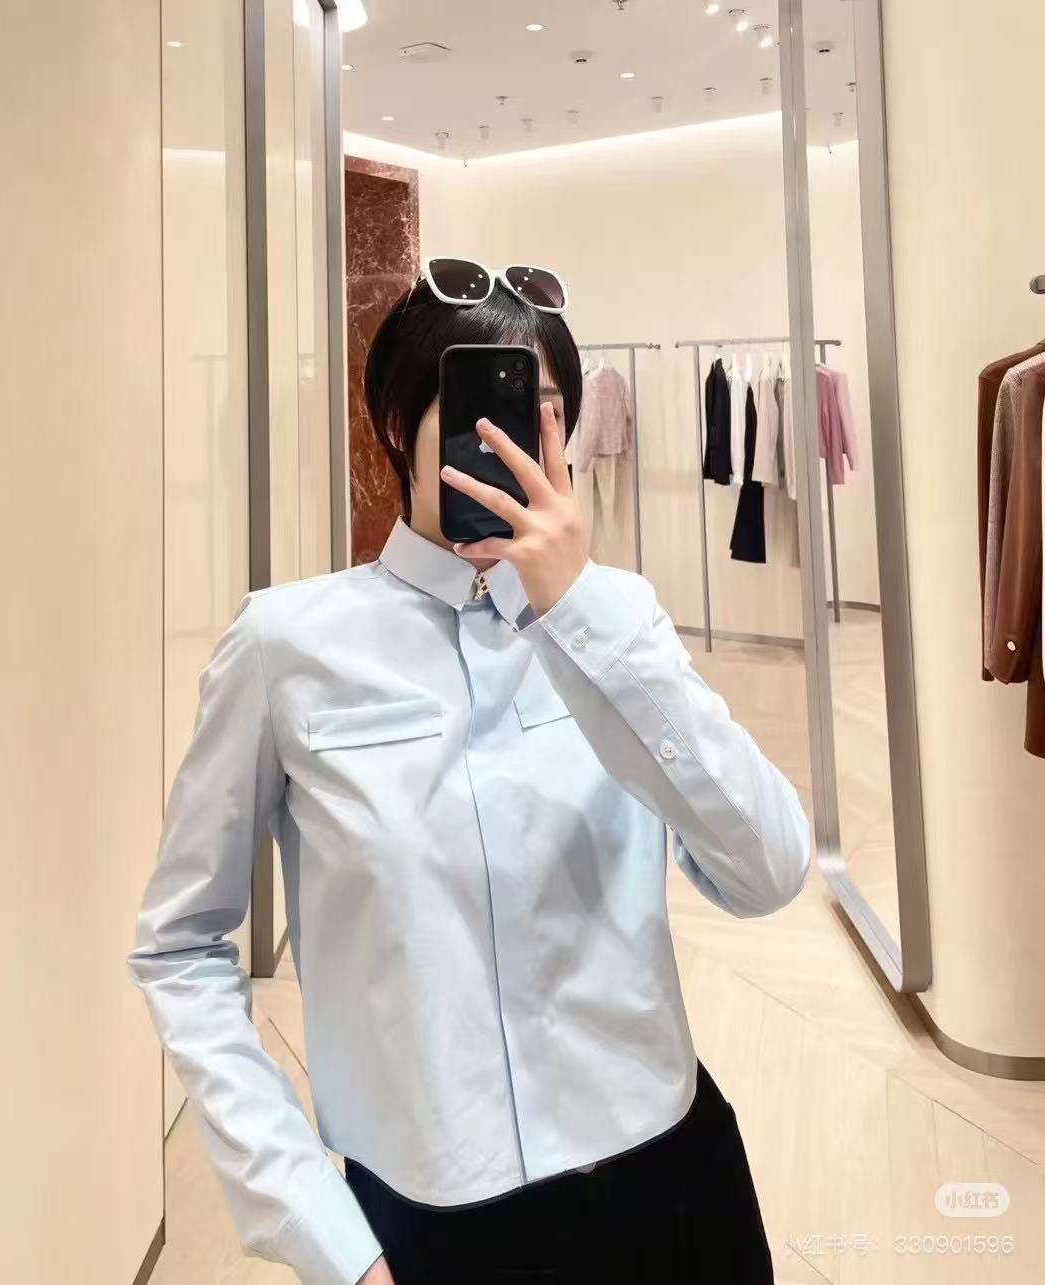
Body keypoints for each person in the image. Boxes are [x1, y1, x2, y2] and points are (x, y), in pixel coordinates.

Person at [128, 262, 811, 1285]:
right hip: (429, 1227)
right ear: (396, 426)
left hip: (674, 1180)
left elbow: (769, 870)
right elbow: (180, 946)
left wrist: (582, 612)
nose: (510, 441)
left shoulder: (620, 619)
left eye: (541, 411)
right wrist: (316, 1224)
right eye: (476, 409)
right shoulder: (286, 647)